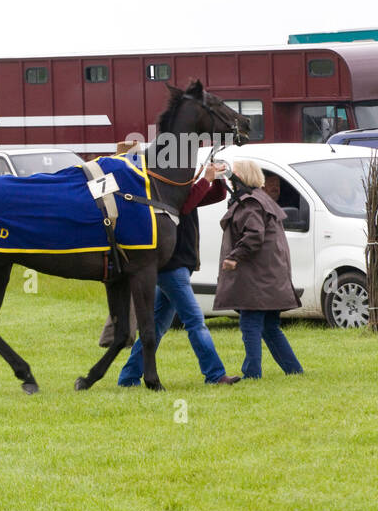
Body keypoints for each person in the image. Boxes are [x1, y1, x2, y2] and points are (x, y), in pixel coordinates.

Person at [118, 162, 241, 386]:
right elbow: (186, 206)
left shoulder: (183, 191)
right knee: (195, 321)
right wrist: (205, 178)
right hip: (171, 268)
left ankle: (128, 377)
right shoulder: (168, 195)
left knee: (157, 326)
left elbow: (215, 195)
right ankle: (215, 375)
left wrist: (218, 177)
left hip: (176, 267)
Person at [214, 159, 303, 379]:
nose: (230, 179)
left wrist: (234, 257)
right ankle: (294, 370)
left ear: (242, 177)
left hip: (257, 277)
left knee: (250, 323)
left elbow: (254, 235)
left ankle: (252, 373)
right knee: (270, 327)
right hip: (270, 274)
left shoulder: (250, 203)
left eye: (233, 174)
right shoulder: (262, 199)